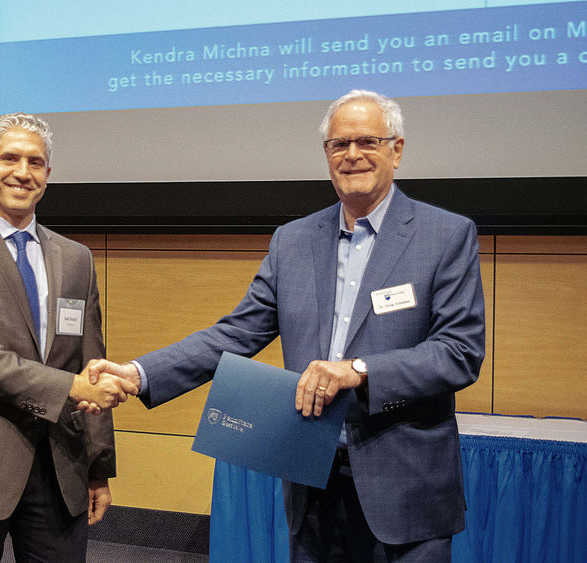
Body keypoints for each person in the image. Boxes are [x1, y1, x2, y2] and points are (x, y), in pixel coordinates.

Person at [89, 90, 485, 561]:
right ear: (326, 155)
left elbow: (459, 351)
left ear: (396, 151)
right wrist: (139, 374)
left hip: (405, 487)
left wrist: (358, 371)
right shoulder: (294, 241)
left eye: (367, 142)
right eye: (339, 145)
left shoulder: (445, 235)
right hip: (311, 480)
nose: (352, 155)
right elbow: (234, 333)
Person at [0, 112, 137, 562]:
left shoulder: (76, 258)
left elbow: (90, 360)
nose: (22, 172)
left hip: (61, 467)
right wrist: (71, 387)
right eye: (9, 158)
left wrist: (97, 468)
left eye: (35, 163)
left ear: (48, 176)